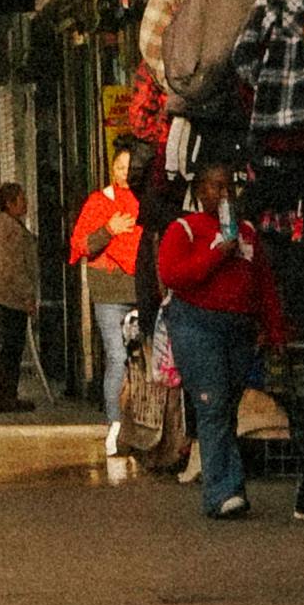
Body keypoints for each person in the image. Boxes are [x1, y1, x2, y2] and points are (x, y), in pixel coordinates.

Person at [150, 148, 284, 519]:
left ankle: (230, 486)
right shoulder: (185, 229)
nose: (225, 194)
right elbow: (174, 275)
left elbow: (263, 284)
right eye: (217, 186)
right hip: (197, 325)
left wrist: (273, 330)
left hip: (239, 330)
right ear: (201, 191)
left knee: (227, 407)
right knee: (211, 406)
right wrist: (216, 253)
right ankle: (223, 492)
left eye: (230, 187)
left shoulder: (247, 233)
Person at [68, 153, 153, 466]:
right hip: (109, 292)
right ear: (111, 170)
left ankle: (146, 425)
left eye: (130, 168)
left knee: (145, 357)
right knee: (117, 356)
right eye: (120, 167)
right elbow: (82, 244)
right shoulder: (98, 202)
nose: (125, 173)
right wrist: (109, 229)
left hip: (141, 290)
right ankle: (115, 424)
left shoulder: (146, 201)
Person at [0, 181, 42, 414]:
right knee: (12, 349)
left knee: (12, 348)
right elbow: (13, 268)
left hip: (9, 294)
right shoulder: (8, 229)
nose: (25, 203)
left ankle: (8, 395)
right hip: (11, 297)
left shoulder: (8, 226)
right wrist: (27, 296)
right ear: (10, 203)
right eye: (21, 199)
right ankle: (6, 397)